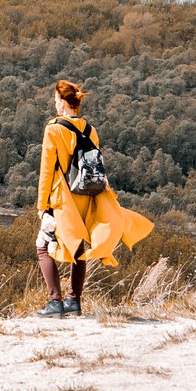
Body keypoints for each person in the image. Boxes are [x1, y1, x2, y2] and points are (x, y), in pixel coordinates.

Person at [35, 79, 153, 318]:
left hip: (62, 198)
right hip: (86, 196)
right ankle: (74, 300)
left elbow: (47, 170)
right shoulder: (90, 129)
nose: (54, 103)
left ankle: (55, 301)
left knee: (43, 246)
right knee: (78, 248)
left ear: (61, 102)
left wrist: (41, 206)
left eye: (55, 99)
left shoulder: (54, 128)